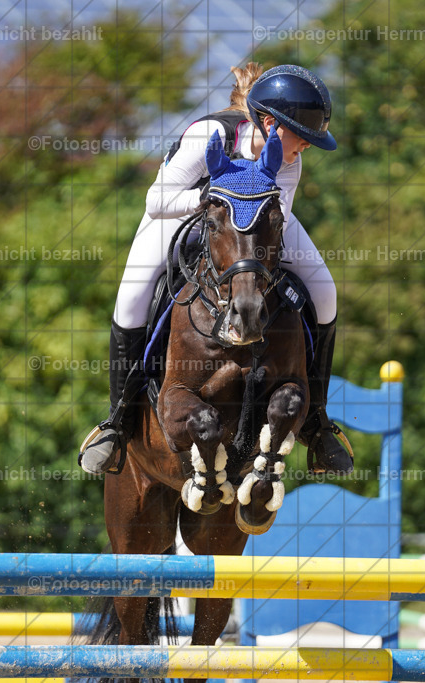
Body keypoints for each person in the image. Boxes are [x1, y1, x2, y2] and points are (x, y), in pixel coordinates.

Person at [79, 63, 351, 476]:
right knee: (132, 297)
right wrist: (214, 198)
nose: (306, 148)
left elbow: (272, 223)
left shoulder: (288, 161)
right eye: (303, 137)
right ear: (270, 124)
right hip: (184, 214)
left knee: (325, 290)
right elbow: (157, 201)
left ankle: (316, 421)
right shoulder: (210, 136)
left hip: (252, 225)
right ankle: (117, 421)